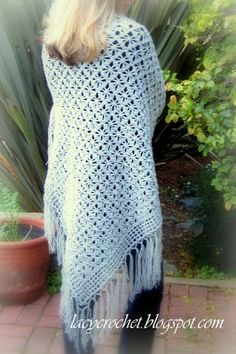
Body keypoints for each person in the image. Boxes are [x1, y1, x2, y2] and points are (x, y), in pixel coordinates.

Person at [40, 0, 166, 353]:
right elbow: (154, 99)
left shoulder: (56, 39)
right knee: (148, 284)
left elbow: (64, 104)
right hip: (125, 181)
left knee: (78, 289)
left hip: (76, 181)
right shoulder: (131, 38)